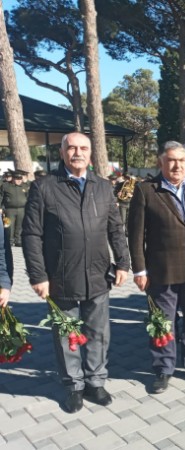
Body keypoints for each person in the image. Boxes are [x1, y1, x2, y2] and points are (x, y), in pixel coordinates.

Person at [22, 132, 130, 413]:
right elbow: (31, 234)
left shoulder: (103, 187)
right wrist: (38, 275)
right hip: (60, 276)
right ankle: (73, 385)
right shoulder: (44, 187)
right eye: (72, 148)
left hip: (98, 274)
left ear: (91, 153)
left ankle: (96, 381)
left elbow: (115, 229)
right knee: (66, 334)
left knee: (98, 332)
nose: (78, 152)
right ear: (62, 153)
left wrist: (122, 262)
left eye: (83, 148)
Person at [128, 141, 185, 394]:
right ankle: (163, 368)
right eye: (171, 160)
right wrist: (139, 270)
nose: (177, 165)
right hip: (162, 270)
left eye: (181, 160)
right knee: (163, 322)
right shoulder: (146, 190)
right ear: (161, 162)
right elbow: (135, 234)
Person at [2, 169, 29, 246]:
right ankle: (9, 240)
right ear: (13, 178)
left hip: (22, 209)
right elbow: (1, 197)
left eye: (20, 179)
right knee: (9, 225)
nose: (19, 181)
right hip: (9, 209)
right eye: (17, 179)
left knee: (20, 225)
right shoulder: (6, 186)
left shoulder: (25, 186)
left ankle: (18, 240)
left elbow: (29, 197)